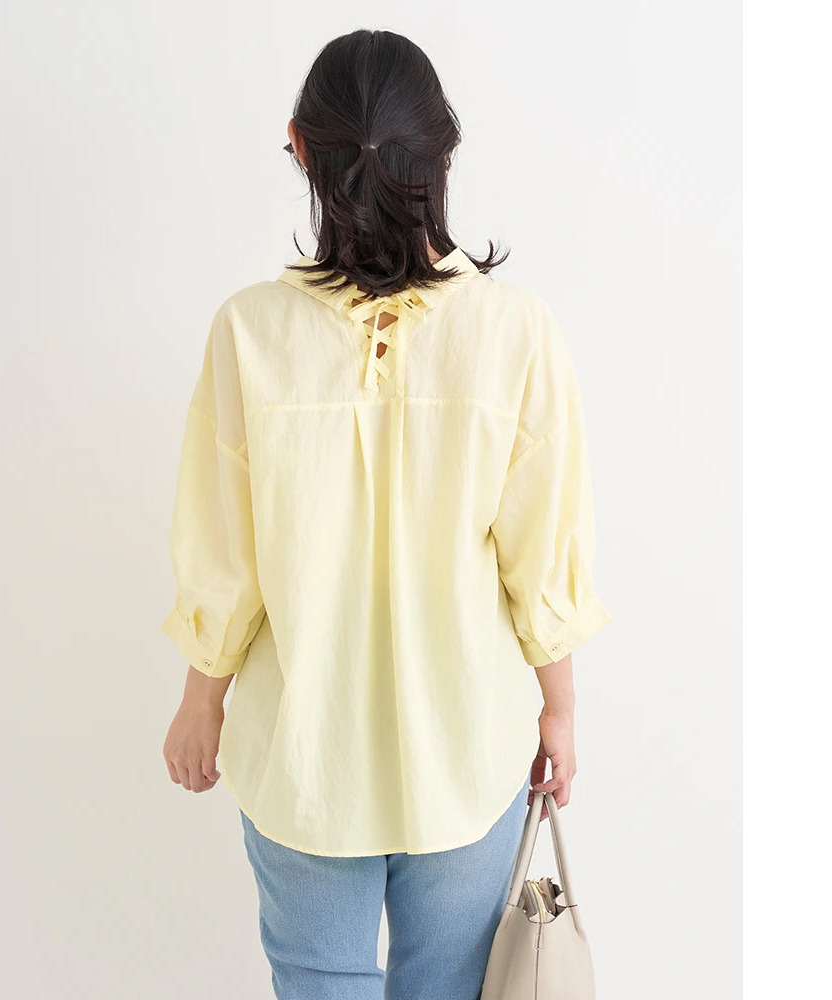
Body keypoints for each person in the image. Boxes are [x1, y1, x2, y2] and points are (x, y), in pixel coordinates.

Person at [160, 28, 611, 1000]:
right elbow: (541, 552)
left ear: (298, 145)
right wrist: (560, 709)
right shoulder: (516, 329)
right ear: (443, 149)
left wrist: (202, 701)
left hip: (301, 748)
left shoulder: (249, 330)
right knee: (446, 983)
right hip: (467, 745)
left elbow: (225, 554)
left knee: (317, 979)